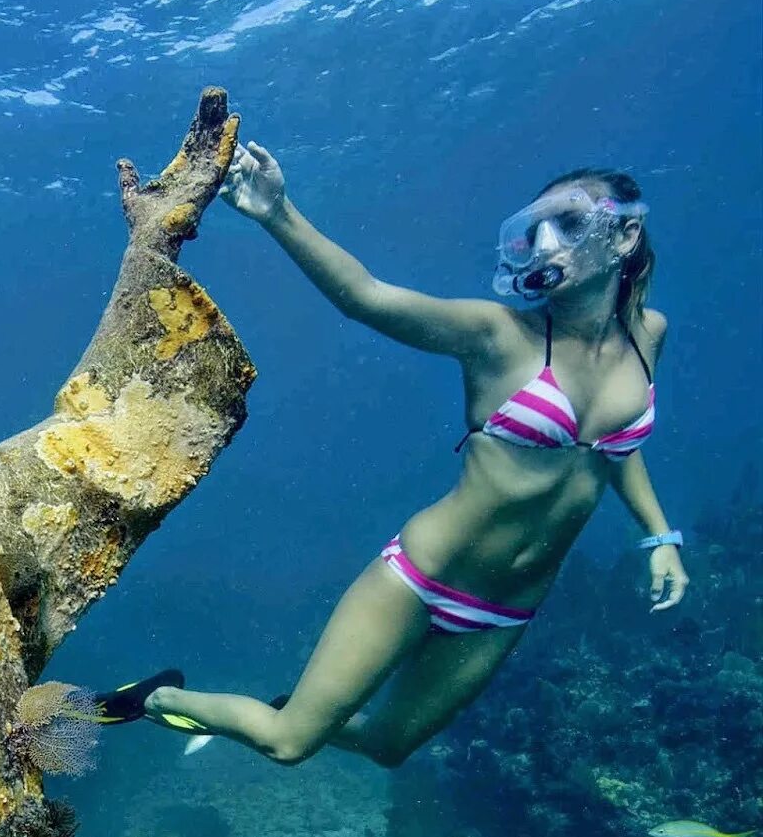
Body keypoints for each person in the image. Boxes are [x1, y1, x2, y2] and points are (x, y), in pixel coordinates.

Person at [93, 142, 689, 768]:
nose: (543, 244)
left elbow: (616, 449)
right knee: (288, 742)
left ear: (624, 235)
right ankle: (156, 699)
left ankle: (303, 705)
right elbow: (367, 296)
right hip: (423, 575)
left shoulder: (650, 335)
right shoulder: (498, 336)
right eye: (533, 229)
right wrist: (277, 213)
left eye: (566, 225)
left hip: (507, 607)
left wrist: (660, 536)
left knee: (388, 745)